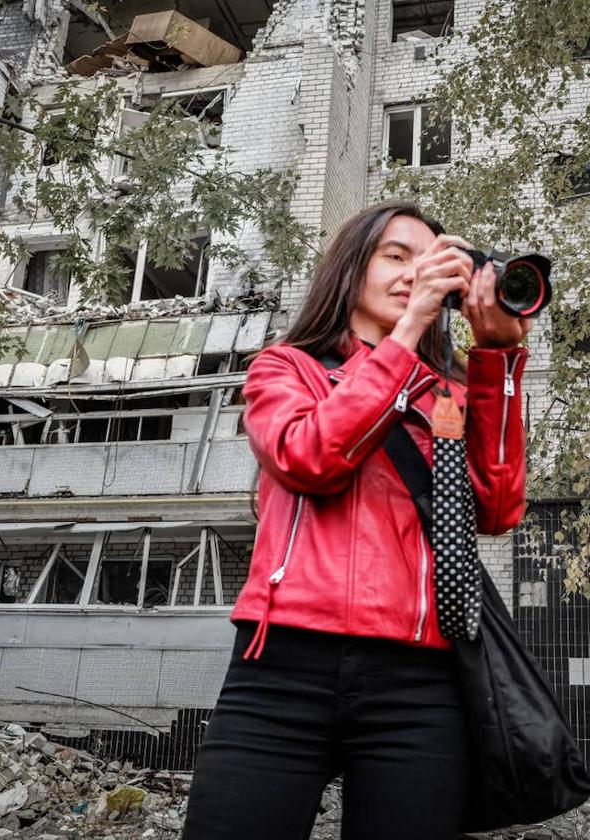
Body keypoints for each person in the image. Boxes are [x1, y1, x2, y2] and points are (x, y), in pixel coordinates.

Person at [182, 200, 532, 840]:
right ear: (349, 270)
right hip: (282, 667)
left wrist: (498, 363)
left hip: (419, 682)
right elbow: (310, 457)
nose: (412, 275)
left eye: (428, 265)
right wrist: (405, 341)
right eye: (396, 257)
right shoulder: (288, 368)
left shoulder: (445, 394)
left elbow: (497, 508)